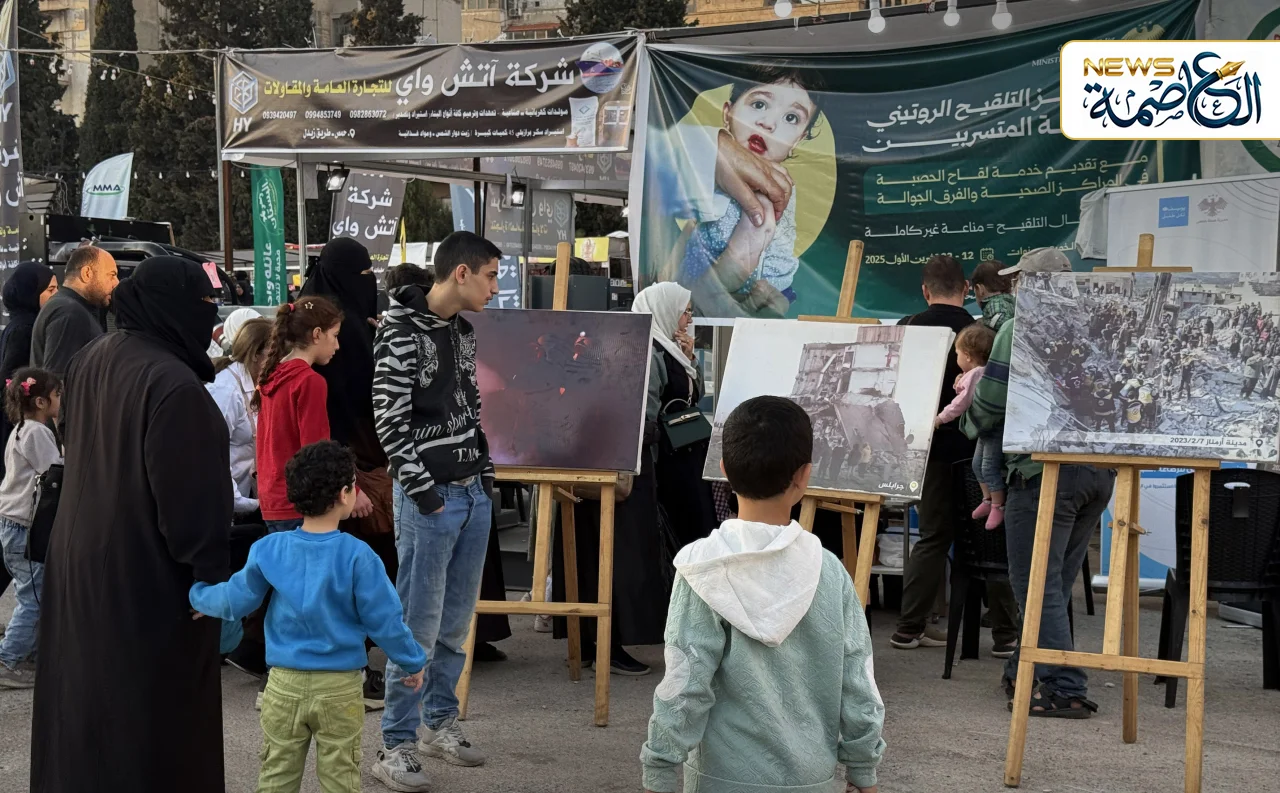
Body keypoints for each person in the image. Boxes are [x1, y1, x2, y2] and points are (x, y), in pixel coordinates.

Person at [31, 257, 233, 792]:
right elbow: (191, 505)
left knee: (83, 715)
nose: (209, 316)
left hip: (81, 559)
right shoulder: (175, 386)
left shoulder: (93, 357)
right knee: (149, 728)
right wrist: (209, 577)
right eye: (203, 304)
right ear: (173, 307)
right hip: (145, 579)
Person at [640, 395, 884, 793]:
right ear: (804, 476)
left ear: (723, 470)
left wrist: (660, 769)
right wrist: (863, 767)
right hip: (812, 779)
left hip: (720, 780)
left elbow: (685, 683)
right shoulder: (830, 571)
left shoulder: (703, 569)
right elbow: (858, 681)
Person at [189, 441, 426, 793]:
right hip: (340, 687)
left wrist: (198, 595)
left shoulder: (269, 549)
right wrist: (412, 661)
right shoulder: (359, 556)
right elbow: (385, 621)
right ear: (345, 494)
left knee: (277, 774)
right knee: (340, 777)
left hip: (283, 684)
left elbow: (234, 600)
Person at [371, 230, 500, 791]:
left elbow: (471, 405)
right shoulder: (398, 332)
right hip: (432, 500)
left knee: (454, 624)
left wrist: (485, 476)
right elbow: (388, 419)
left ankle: (439, 723)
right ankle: (395, 744)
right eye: (490, 276)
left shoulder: (463, 332)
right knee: (415, 629)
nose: (495, 288)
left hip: (471, 494)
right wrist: (424, 491)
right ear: (461, 273)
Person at [968, 248, 1113, 719]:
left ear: (1030, 284)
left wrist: (967, 423)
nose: (1013, 288)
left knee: (1036, 584)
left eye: (1017, 281)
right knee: (1055, 583)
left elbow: (990, 403)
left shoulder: (1019, 326)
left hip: (1043, 471)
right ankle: (1024, 668)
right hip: (1097, 469)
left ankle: (1063, 685)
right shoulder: (1095, 323)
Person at [300, 238, 409, 707]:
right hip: (349, 469)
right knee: (351, 569)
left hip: (345, 469)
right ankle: (352, 666)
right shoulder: (330, 343)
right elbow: (341, 413)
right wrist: (351, 478)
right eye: (361, 275)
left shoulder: (337, 326)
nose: (369, 284)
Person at [893, 255, 1018, 655]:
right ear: (966, 289)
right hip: (978, 451)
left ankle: (908, 628)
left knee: (932, 537)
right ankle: (1005, 634)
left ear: (925, 291)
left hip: (927, 450)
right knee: (991, 537)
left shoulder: (906, 329)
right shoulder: (984, 333)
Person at [678, 67, 822, 316]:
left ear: (798, 141)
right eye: (759, 104)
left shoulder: (774, 185)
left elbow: (752, 247)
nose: (768, 123)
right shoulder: (706, 162)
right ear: (727, 113)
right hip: (702, 278)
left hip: (750, 286)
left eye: (791, 118)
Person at [255, 296, 374, 534]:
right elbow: (317, 450)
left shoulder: (272, 375)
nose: (337, 346)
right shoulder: (310, 381)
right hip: (300, 502)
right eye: (335, 335)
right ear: (317, 334)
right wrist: (353, 490)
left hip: (271, 499)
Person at [634, 282, 717, 550]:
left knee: (697, 519)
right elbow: (647, 413)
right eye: (685, 312)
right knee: (683, 522)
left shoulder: (671, 348)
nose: (689, 319)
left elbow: (694, 396)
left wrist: (690, 360)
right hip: (669, 458)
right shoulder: (652, 352)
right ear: (665, 310)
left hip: (687, 449)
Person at [0, 369, 61, 688]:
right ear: (41, 401)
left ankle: (31, 654)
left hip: (13, 525)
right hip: (25, 527)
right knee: (33, 598)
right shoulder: (37, 432)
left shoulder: (22, 429)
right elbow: (55, 472)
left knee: (36, 593)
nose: (61, 400)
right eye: (57, 395)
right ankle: (7, 660)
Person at [937, 324, 1004, 529]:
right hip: (986, 429)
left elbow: (961, 402)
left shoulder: (977, 374)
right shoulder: (979, 372)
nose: (956, 358)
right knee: (977, 465)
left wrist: (940, 418)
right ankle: (987, 500)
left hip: (992, 430)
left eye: (957, 354)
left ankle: (998, 505)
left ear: (967, 356)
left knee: (988, 466)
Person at [209, 319, 272, 516]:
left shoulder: (253, 385)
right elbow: (213, 454)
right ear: (255, 354)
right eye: (274, 354)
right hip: (223, 505)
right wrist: (245, 503)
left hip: (240, 499)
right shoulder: (226, 391)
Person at [30, 245, 117, 378]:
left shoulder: (66, 306)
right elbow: (57, 381)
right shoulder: (69, 312)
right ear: (87, 273)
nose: (116, 282)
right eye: (112, 275)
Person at [971, 259, 1016, 331]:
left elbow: (1001, 323)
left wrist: (981, 326)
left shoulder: (996, 304)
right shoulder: (1013, 304)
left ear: (979, 289)